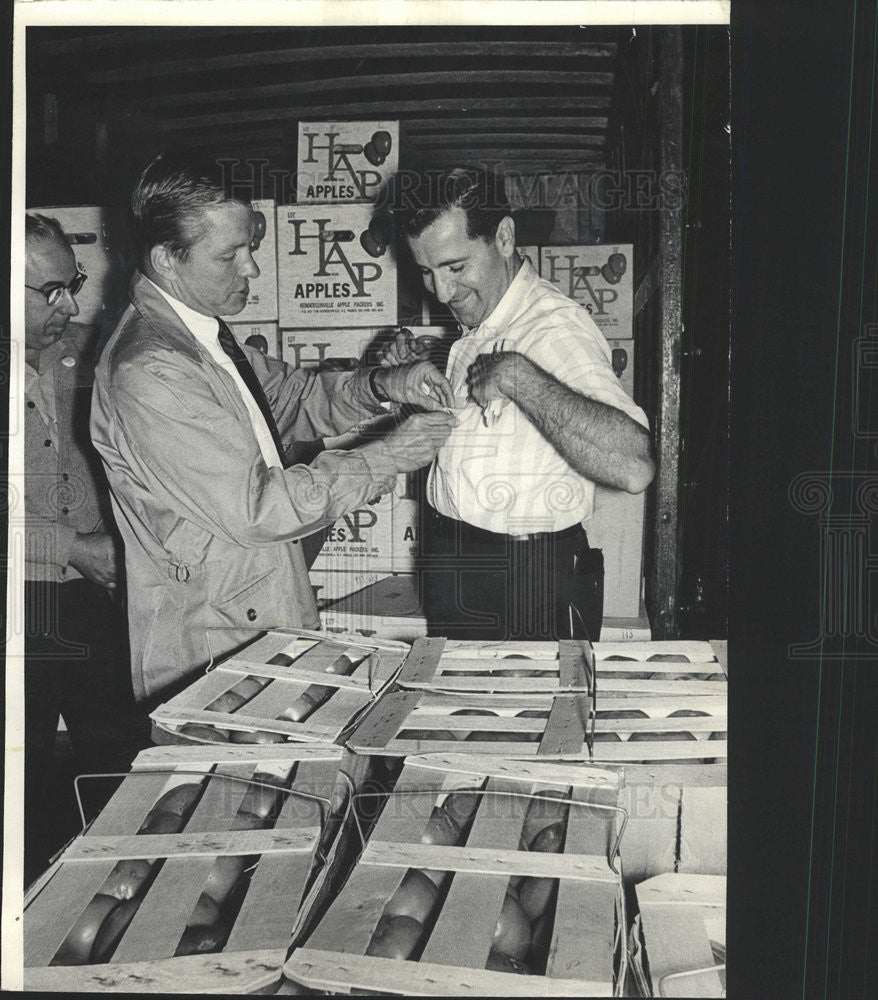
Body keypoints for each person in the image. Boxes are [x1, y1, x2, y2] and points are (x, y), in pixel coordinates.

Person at [90, 153, 455, 705]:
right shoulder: (151, 369)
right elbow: (259, 509)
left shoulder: (201, 336)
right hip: (211, 637)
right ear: (167, 258)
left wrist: (385, 383)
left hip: (256, 605)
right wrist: (389, 456)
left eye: (251, 247)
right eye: (228, 255)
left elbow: (290, 398)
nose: (252, 269)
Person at [384, 165, 655, 641]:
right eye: (427, 272)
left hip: (526, 580)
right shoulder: (483, 320)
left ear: (504, 238)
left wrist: (521, 378)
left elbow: (634, 466)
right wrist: (413, 378)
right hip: (460, 566)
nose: (442, 292)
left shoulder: (554, 327)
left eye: (455, 267)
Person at [23, 213, 147, 882]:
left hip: (98, 600)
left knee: (119, 766)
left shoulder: (90, 352)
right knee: (27, 778)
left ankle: (118, 905)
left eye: (71, 284)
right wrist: (70, 546)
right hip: (19, 613)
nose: (69, 303)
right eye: (50, 290)